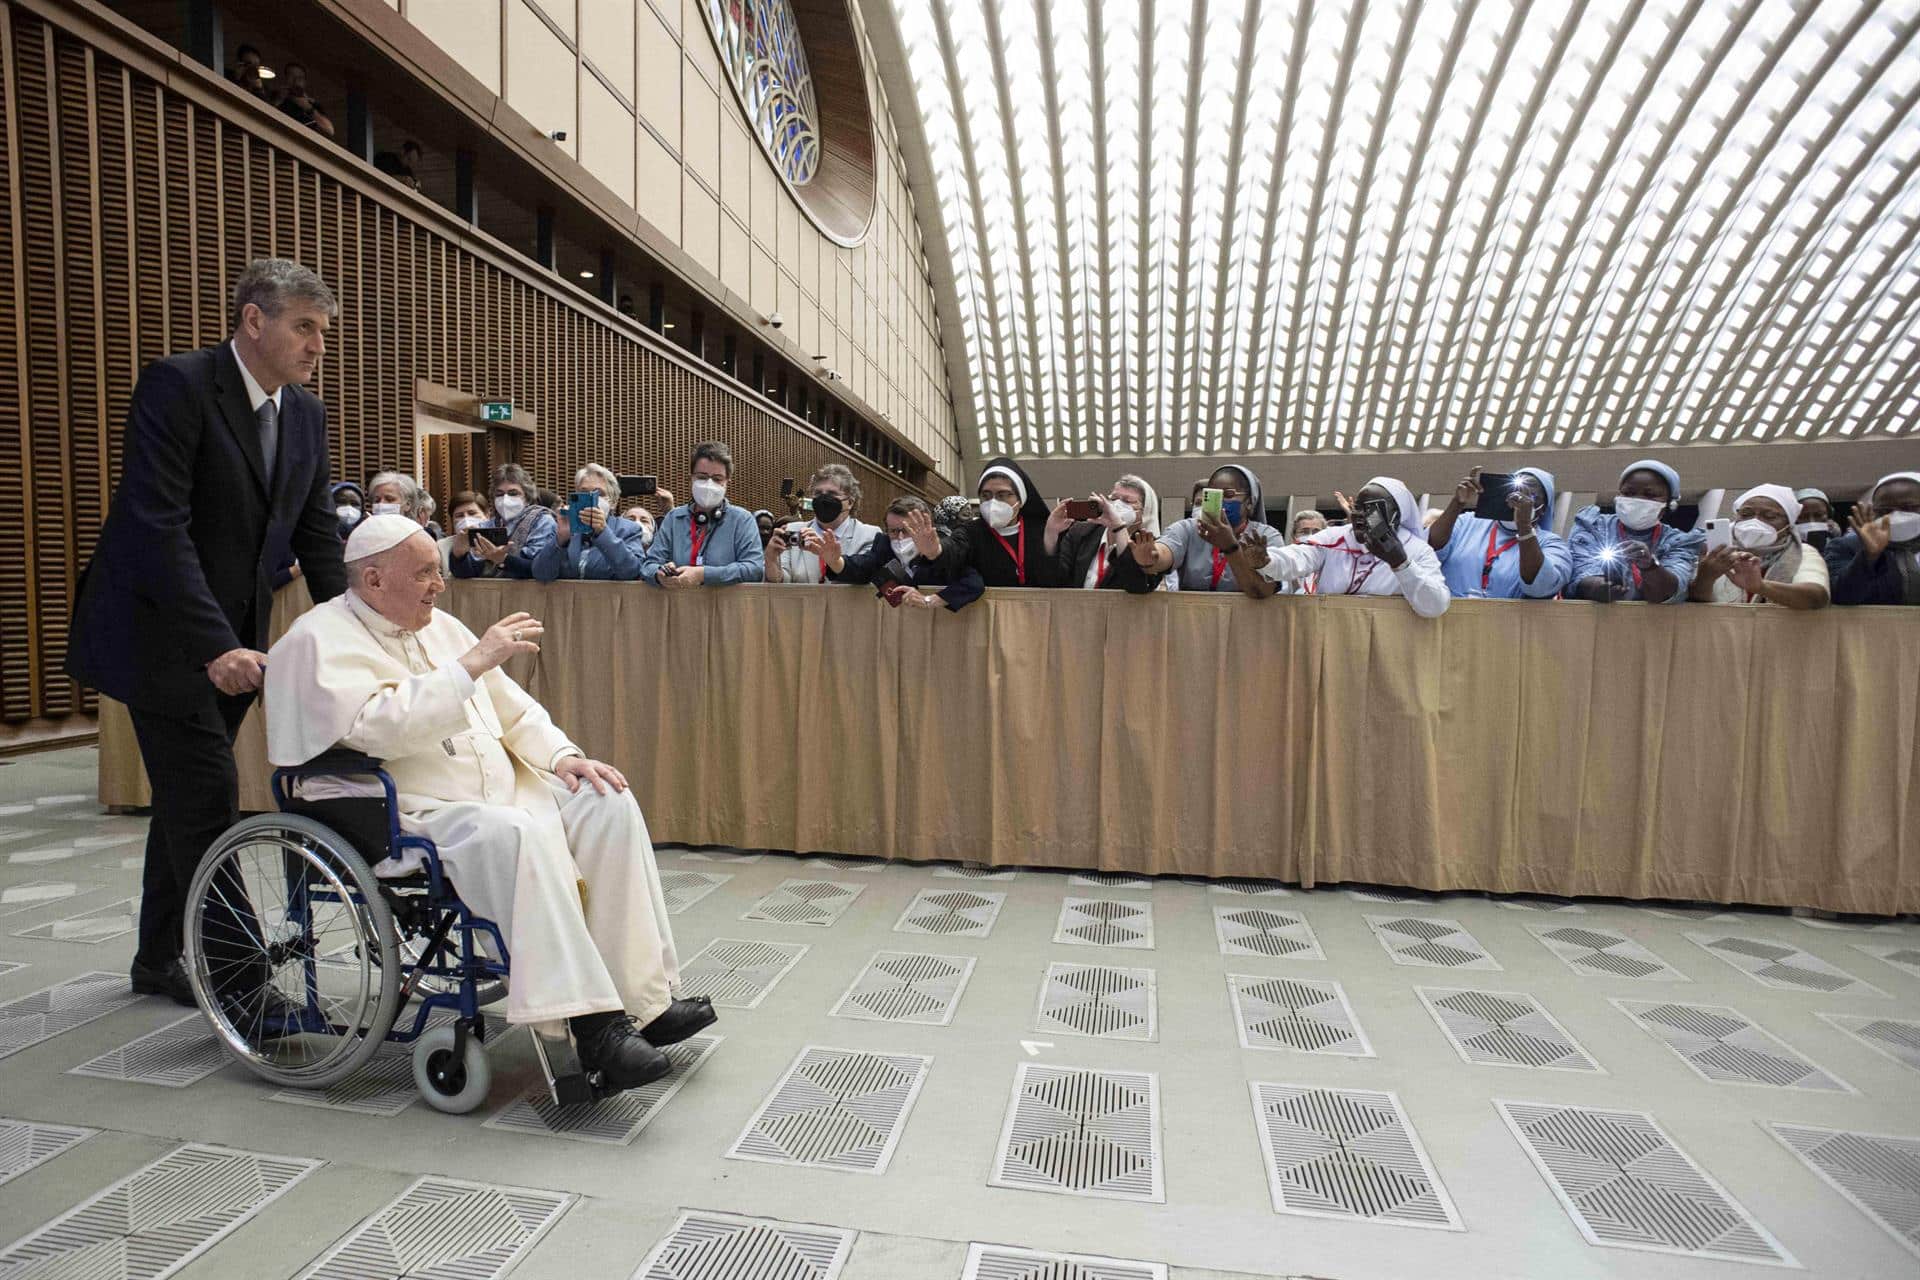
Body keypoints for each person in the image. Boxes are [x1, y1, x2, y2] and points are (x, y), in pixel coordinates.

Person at [265, 516, 715, 1092]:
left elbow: (514, 709)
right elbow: (376, 729)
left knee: (606, 800)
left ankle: (644, 1000)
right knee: (516, 834)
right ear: (373, 579)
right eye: (425, 572)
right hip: (413, 811)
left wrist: (562, 757)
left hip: (501, 789)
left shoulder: (442, 628)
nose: (440, 584)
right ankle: (593, 1024)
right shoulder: (316, 639)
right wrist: (469, 666)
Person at [64, 258, 347, 1007]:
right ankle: (243, 985)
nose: (318, 345)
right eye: (304, 327)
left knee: (186, 803)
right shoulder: (178, 386)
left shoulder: (305, 414)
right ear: (254, 320)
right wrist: (213, 642)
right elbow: (157, 525)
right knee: (209, 795)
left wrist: (363, 632)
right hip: (161, 633)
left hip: (236, 642)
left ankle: (158, 958)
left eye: (324, 331)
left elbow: (317, 534)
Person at [1257, 478, 1450, 616]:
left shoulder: (1417, 550)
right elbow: (1297, 558)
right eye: (1357, 507)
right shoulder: (1335, 537)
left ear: (1396, 516)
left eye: (1371, 510)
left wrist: (1400, 563)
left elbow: (1435, 606)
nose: (1359, 515)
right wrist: (1266, 559)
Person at [1127, 464, 1283, 594]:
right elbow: (1163, 552)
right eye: (1213, 495)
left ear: (1249, 502)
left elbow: (1261, 590)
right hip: (1192, 621)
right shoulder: (1187, 528)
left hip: (1243, 624)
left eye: (1228, 495)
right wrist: (1151, 558)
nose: (1220, 501)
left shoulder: (1266, 536)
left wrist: (1230, 547)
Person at [1566, 460, 1703, 603]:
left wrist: (1649, 566)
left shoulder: (1679, 542)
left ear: (1670, 504)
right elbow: (1580, 574)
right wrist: (1599, 587)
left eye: (1650, 495)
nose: (1638, 499)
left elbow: (1667, 593)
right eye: (1629, 493)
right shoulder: (1593, 525)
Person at [1429, 465, 1571, 599]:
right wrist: (1457, 503)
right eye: (1515, 492)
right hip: (1448, 618)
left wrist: (1524, 526)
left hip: (1504, 622)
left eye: (1531, 497)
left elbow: (1541, 586)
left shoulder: (1551, 544)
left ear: (1543, 508)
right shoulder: (1467, 522)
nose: (1518, 500)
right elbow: (1430, 548)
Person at [639, 442, 764, 588]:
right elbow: (648, 566)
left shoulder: (743, 520)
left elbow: (754, 569)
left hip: (725, 608)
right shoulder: (673, 518)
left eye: (717, 479)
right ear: (691, 478)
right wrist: (659, 574)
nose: (709, 484)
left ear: (727, 481)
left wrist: (703, 574)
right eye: (702, 477)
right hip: (679, 606)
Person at [826, 495, 984, 610]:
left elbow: (974, 583)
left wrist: (929, 600)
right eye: (893, 531)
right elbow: (861, 566)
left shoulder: (943, 551)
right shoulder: (883, 545)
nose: (900, 537)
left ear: (924, 526)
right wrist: (835, 561)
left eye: (907, 531)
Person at [1689, 485, 1829, 608]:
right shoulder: (1718, 551)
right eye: (1746, 514)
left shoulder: (1803, 552)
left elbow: (1817, 598)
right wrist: (1705, 577)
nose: (1755, 521)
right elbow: (1696, 600)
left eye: (1769, 516)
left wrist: (1761, 587)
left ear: (1788, 526)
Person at [532, 465, 649, 581]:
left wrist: (603, 533)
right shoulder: (564, 526)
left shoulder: (628, 529)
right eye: (584, 492)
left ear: (613, 502)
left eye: (599, 493)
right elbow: (541, 574)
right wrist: (560, 540)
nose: (592, 498)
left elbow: (632, 571)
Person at [767, 464, 880, 584]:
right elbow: (781, 583)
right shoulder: (793, 531)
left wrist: (834, 561)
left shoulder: (869, 535)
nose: (824, 498)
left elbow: (865, 577)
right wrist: (771, 560)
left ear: (850, 502)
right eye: (818, 493)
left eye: (832, 494)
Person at [1053, 475, 1167, 591]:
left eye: (1127, 501)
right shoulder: (1080, 532)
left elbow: (1138, 586)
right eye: (1113, 498)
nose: (1117, 505)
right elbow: (1055, 579)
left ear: (1145, 511)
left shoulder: (1152, 546)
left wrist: (1119, 527)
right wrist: (1050, 532)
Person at [1823, 472, 1920, 606]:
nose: (1895, 515)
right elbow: (1841, 596)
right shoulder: (1846, 546)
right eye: (1885, 511)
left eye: (1908, 508)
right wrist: (1869, 556)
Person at [452, 463, 555, 579]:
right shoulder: (486, 526)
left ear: (527, 497)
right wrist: (458, 554)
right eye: (499, 494)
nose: (505, 499)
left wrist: (503, 559)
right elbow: (467, 573)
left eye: (513, 493)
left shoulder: (542, 522)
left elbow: (541, 568)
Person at [275, 62, 335, 137]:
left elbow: (329, 130)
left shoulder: (313, 105)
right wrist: (279, 100)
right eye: (291, 75)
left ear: (305, 82)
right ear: (285, 79)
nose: (296, 80)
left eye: (300, 77)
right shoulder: (277, 97)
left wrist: (308, 107)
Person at [438, 491, 488, 575]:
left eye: (472, 513)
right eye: (459, 515)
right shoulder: (441, 547)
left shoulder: (499, 542)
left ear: (486, 515)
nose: (466, 519)